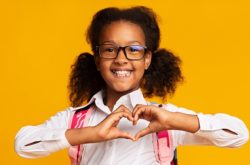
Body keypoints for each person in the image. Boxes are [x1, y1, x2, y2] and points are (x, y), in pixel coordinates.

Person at [15, 6, 249, 165]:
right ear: (97, 59)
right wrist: (91, 134)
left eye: (134, 49)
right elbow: (23, 145)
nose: (121, 58)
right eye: (110, 49)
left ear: (147, 59)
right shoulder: (77, 120)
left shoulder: (166, 119)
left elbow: (238, 135)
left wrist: (173, 120)